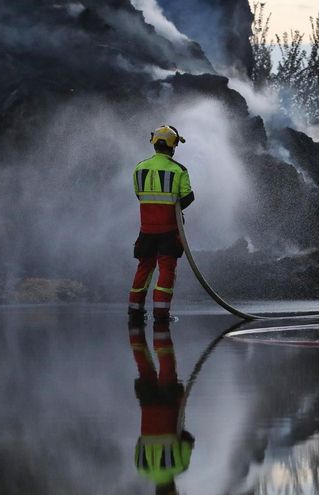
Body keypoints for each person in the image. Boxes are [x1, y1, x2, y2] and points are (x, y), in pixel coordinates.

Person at [129, 125, 194, 323]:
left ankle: (135, 312)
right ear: (173, 147)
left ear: (155, 144)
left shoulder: (139, 168)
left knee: (144, 268)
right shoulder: (179, 170)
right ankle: (161, 314)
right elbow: (189, 197)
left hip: (146, 229)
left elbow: (140, 195)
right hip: (169, 231)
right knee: (166, 270)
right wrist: (174, 208)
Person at [129, 320, 195, 494]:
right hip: (148, 406)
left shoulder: (179, 467)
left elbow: (188, 441)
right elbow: (139, 442)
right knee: (144, 368)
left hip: (169, 406)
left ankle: (162, 332)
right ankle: (135, 334)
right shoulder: (141, 468)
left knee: (167, 366)